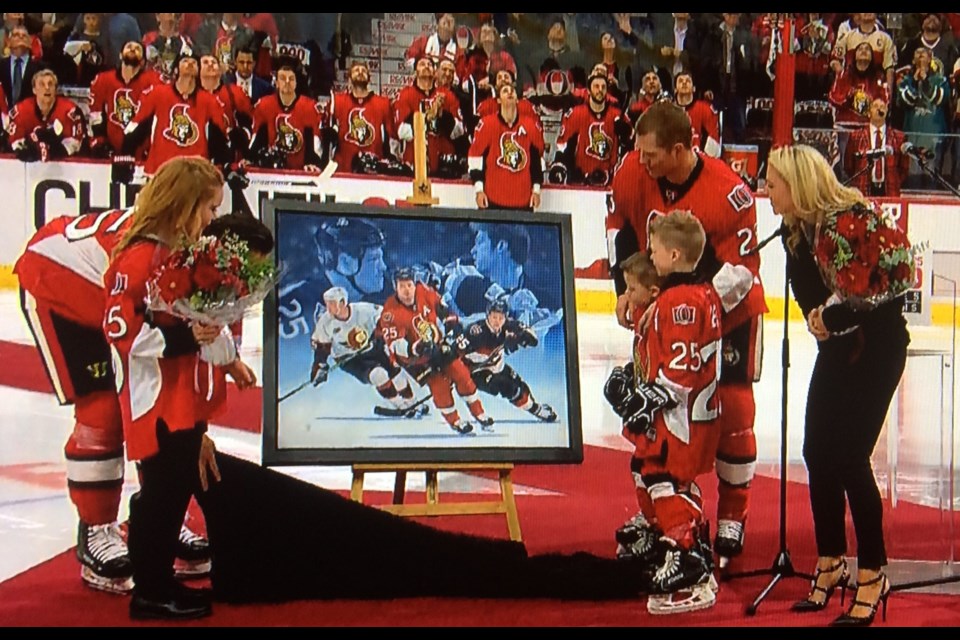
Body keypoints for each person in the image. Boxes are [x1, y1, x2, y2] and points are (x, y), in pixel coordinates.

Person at [13, 206, 269, 595]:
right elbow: (133, 330)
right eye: (209, 204)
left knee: (165, 405)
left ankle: (160, 517)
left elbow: (192, 360)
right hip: (60, 286)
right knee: (102, 411)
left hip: (110, 301)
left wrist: (225, 369)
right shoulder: (162, 254)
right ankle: (96, 527)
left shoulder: (211, 264)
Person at [609, 101, 767, 567]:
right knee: (659, 418)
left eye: (652, 154)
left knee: (731, 413)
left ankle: (733, 514)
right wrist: (628, 290)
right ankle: (672, 513)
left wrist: (688, 311)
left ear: (680, 149)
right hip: (665, 311)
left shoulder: (730, 193)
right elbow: (622, 230)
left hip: (727, 317)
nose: (643, 162)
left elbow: (742, 272)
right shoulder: (634, 172)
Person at [767, 145, 907, 627]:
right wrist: (826, 315)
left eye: (773, 180)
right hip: (839, 348)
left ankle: (873, 572)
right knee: (816, 451)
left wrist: (830, 314)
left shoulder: (848, 220)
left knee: (848, 456)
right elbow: (816, 306)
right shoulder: (797, 237)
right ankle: (831, 561)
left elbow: (870, 293)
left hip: (878, 347)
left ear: (798, 183)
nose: (766, 189)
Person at [604, 212, 721, 610]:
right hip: (688, 414)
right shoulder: (697, 293)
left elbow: (681, 368)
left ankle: (688, 553)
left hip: (680, 418)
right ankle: (668, 537)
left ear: (674, 254)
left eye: (654, 250)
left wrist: (646, 397)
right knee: (648, 470)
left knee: (663, 477)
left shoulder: (679, 301)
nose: (650, 256)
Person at [378, 268, 493, 436]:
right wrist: (416, 348)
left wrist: (452, 324)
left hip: (436, 346)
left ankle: (479, 413)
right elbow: (395, 345)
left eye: (409, 285)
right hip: (414, 360)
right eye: (402, 286)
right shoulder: (390, 312)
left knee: (461, 375)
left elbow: (444, 310)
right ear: (395, 287)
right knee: (440, 386)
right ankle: (456, 422)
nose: (407, 290)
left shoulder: (424, 292)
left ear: (414, 284)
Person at [309, 286, 423, 418]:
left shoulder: (362, 310)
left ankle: (412, 402)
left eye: (332, 304)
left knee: (394, 370)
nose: (328, 308)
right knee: (378, 375)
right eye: (327, 304)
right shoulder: (325, 321)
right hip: (349, 358)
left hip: (372, 347)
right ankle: (400, 405)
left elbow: (386, 317)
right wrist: (320, 366)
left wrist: (379, 334)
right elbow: (322, 347)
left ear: (342, 302)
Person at [119, 51, 230, 177]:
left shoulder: (209, 101)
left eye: (194, 62)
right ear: (176, 70)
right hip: (160, 172)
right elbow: (135, 128)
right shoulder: (157, 94)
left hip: (195, 176)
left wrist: (222, 166)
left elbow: (220, 140)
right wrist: (125, 156)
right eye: (185, 61)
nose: (190, 64)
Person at [458, 299, 557, 424]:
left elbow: (533, 340)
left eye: (501, 317)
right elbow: (456, 351)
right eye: (494, 317)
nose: (497, 321)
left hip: (498, 367)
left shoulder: (509, 326)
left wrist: (522, 337)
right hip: (477, 373)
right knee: (508, 388)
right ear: (487, 315)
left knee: (520, 387)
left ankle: (536, 408)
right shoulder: (476, 332)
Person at [468, 81, 545, 211]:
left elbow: (537, 162)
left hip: (522, 201)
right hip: (492, 200)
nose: (510, 92)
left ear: (517, 99)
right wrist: (479, 190)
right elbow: (475, 158)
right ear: (498, 100)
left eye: (512, 91)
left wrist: (536, 191)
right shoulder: (487, 125)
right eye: (505, 91)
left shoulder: (530, 126)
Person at [551, 71, 632, 187]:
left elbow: (632, 143)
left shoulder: (617, 115)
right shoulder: (576, 114)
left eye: (603, 87)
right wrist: (559, 164)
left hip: (610, 182)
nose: (600, 90)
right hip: (580, 181)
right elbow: (562, 145)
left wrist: (626, 133)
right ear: (588, 90)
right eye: (596, 86)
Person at [87, 40, 161, 159]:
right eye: (129, 47)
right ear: (120, 55)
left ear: (142, 61)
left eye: (137, 49)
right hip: (110, 150)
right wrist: (101, 142)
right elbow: (96, 114)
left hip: (143, 151)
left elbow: (152, 118)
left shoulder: (153, 81)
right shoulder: (103, 80)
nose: (132, 49)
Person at [325, 60, 397, 175]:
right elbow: (327, 139)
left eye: (363, 71)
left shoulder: (383, 103)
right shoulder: (337, 101)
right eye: (356, 70)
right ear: (349, 78)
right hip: (343, 170)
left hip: (374, 171)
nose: (360, 72)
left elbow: (391, 139)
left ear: (369, 78)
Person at [6, 68, 85, 162]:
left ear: (55, 89)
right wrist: (30, 149)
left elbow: (74, 145)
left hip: (63, 169)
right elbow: (15, 142)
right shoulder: (21, 110)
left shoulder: (70, 112)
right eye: (42, 84)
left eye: (50, 84)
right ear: (34, 90)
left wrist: (50, 149)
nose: (47, 88)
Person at [842, 98, 909, 197]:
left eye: (882, 107)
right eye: (875, 106)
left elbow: (904, 168)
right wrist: (860, 180)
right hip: (863, 189)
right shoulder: (856, 136)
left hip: (889, 190)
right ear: (869, 112)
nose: (879, 109)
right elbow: (849, 166)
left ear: (887, 112)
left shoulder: (899, 137)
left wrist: (893, 180)